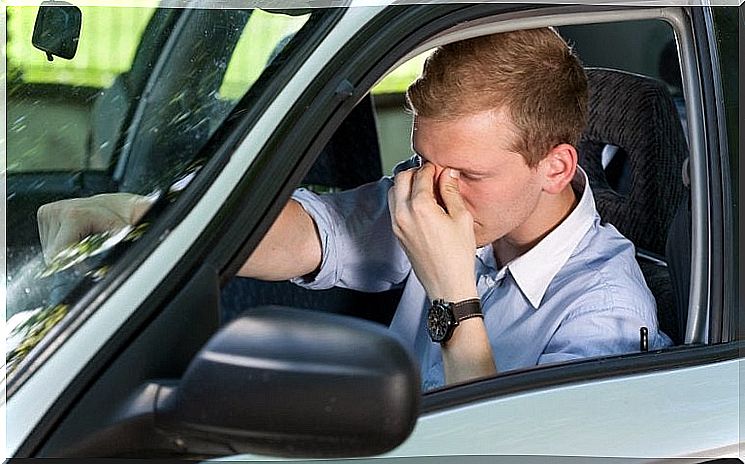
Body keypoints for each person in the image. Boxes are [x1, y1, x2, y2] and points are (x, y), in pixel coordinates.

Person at [37, 28, 672, 391]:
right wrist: (139, 215)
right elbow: (310, 234)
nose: (434, 191)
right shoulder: (451, 199)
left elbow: (509, 447)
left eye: (467, 173)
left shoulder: (605, 312)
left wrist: (453, 293)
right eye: (424, 159)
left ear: (555, 166)